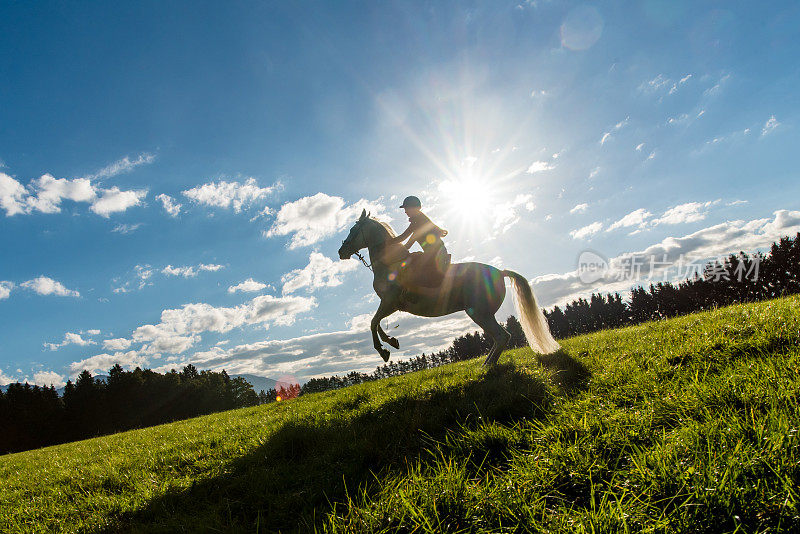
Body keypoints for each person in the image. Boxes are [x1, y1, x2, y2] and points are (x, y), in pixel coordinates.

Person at [391, 196, 450, 289]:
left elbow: (405, 238)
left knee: (413, 267)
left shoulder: (417, 221)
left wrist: (387, 242)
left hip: (435, 255)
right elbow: (407, 241)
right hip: (435, 253)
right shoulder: (419, 220)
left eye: (406, 208)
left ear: (414, 208)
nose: (405, 211)